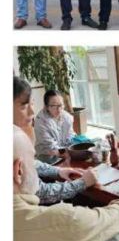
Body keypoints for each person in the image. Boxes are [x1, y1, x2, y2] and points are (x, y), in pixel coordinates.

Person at [14, 76, 95, 204]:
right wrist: (82, 183)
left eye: (33, 104)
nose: (32, 111)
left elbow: (32, 164)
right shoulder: (18, 137)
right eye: (24, 106)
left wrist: (58, 171)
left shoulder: (17, 133)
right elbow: (40, 192)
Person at [34, 90, 76, 156]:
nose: (59, 109)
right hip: (47, 156)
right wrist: (68, 151)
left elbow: (70, 137)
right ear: (46, 107)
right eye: (54, 106)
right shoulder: (40, 121)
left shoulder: (67, 117)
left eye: (60, 105)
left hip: (64, 152)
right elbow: (50, 147)